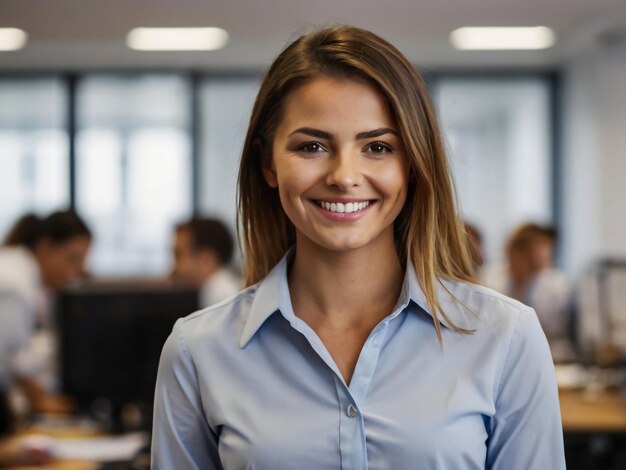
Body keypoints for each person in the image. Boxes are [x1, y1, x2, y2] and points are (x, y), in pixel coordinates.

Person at [152, 26, 565, 469]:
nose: (344, 175)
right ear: (268, 163)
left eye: (378, 147)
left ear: (412, 164)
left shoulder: (504, 336)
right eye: (312, 146)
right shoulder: (198, 350)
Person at [0, 210, 91, 433]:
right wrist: (38, 401)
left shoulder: (22, 273)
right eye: (72, 258)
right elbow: (6, 360)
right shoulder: (16, 284)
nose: (78, 271)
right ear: (45, 247)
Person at [483, 223, 572, 346]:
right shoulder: (489, 279)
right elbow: (488, 324)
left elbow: (554, 329)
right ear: (514, 251)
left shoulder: (556, 284)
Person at [171, 218, 241, 307]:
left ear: (207, 260)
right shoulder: (219, 288)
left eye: (179, 255)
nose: (174, 268)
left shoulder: (219, 294)